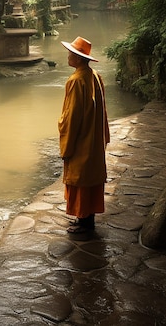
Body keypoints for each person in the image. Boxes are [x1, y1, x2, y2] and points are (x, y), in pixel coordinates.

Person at [58, 36, 110, 237]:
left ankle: (83, 220)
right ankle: (87, 219)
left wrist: (66, 145)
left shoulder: (75, 80)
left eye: (71, 53)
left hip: (81, 139)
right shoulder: (94, 75)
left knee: (80, 178)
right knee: (90, 178)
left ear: (78, 59)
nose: (68, 56)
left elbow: (71, 117)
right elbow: (103, 110)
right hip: (93, 137)